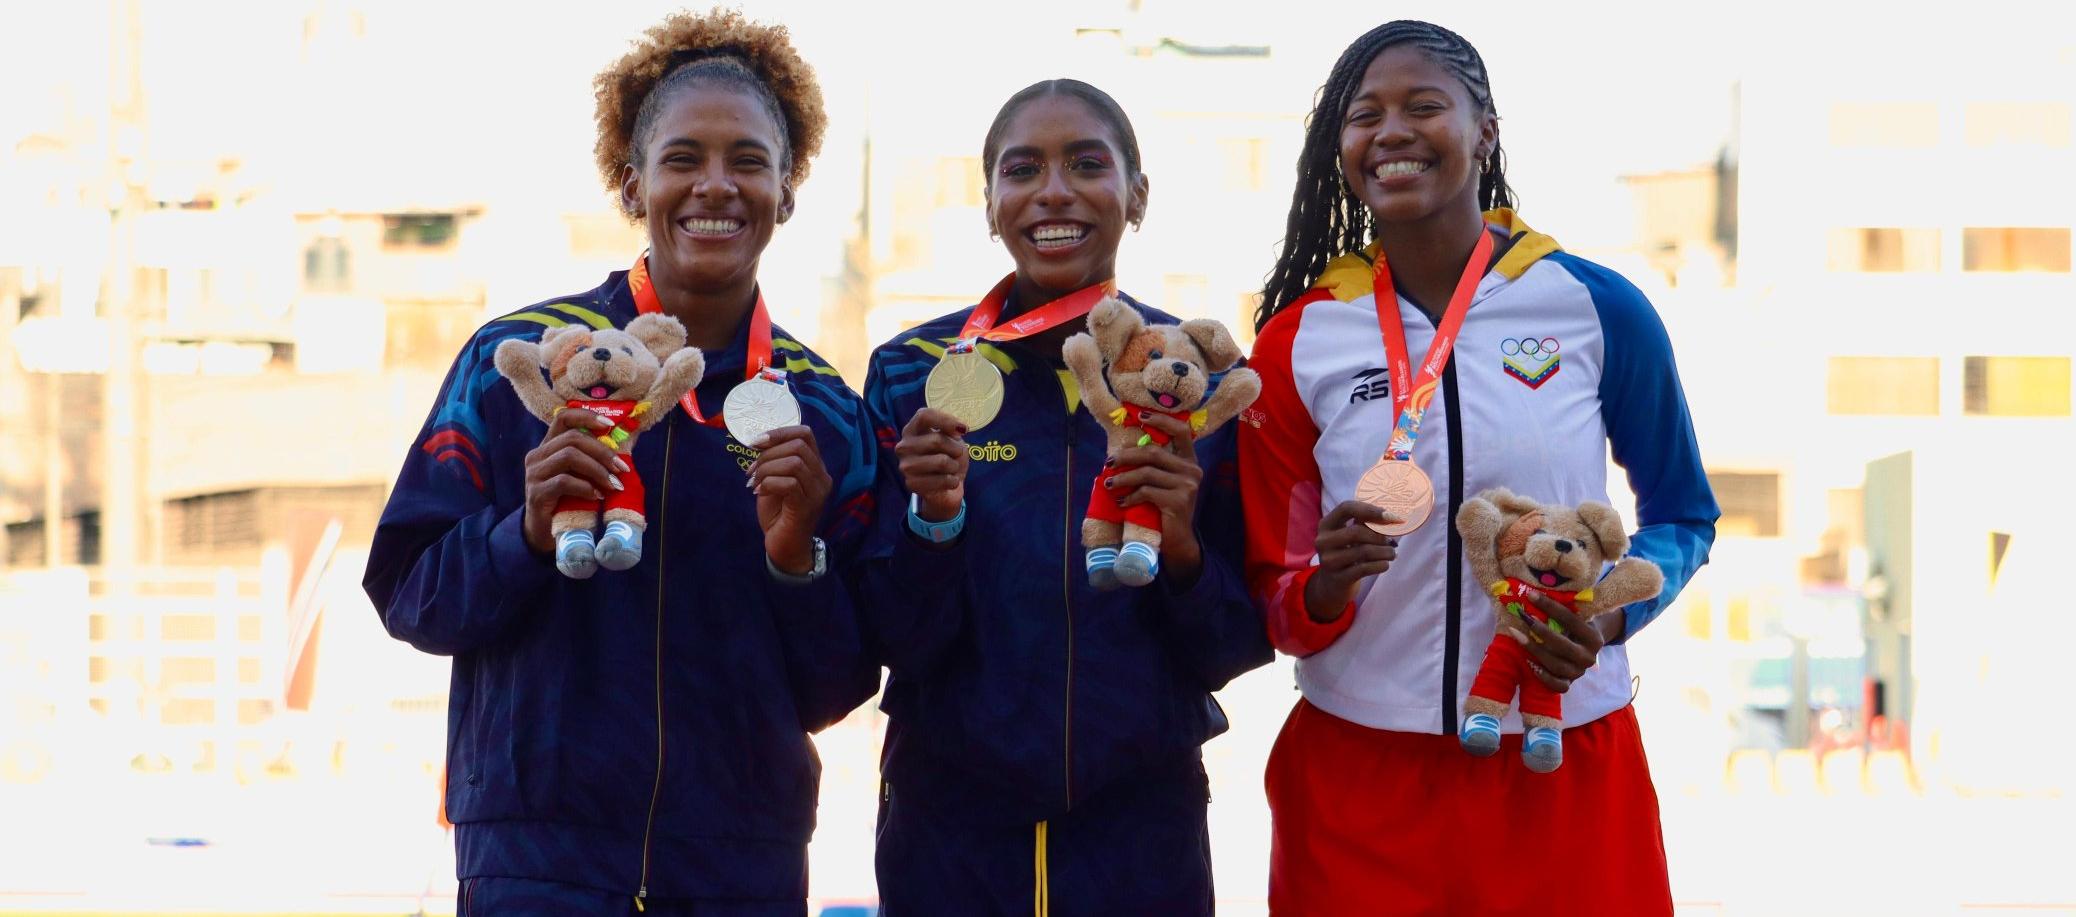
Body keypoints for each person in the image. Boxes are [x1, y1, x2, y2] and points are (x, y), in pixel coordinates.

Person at [362, 11, 876, 915]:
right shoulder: (515, 362)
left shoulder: (823, 408)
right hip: (536, 861)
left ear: (787, 191)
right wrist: (521, 532)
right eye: (683, 159)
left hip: (739, 869)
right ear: (633, 183)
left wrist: (798, 560)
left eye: (748, 160)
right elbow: (408, 593)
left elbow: (840, 684)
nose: (714, 185)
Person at [1240, 21, 1719, 917]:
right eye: (1364, 115)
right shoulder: (1298, 340)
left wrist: (1610, 615)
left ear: (1485, 130)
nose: (1392, 132)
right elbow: (1273, 585)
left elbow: (1686, 514)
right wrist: (1323, 588)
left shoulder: (1595, 306)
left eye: (1425, 106)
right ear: (1339, 147)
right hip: (1360, 779)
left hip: (1561, 760)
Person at [858, 79, 1271, 915]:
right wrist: (933, 522)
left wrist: (1184, 548)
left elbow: (1233, 643)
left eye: (1087, 163)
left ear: (1137, 195)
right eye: (1023, 169)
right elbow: (889, 633)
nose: (1054, 191)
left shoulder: (1197, 382)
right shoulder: (913, 373)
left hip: (1139, 832)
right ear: (990, 204)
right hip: (949, 832)